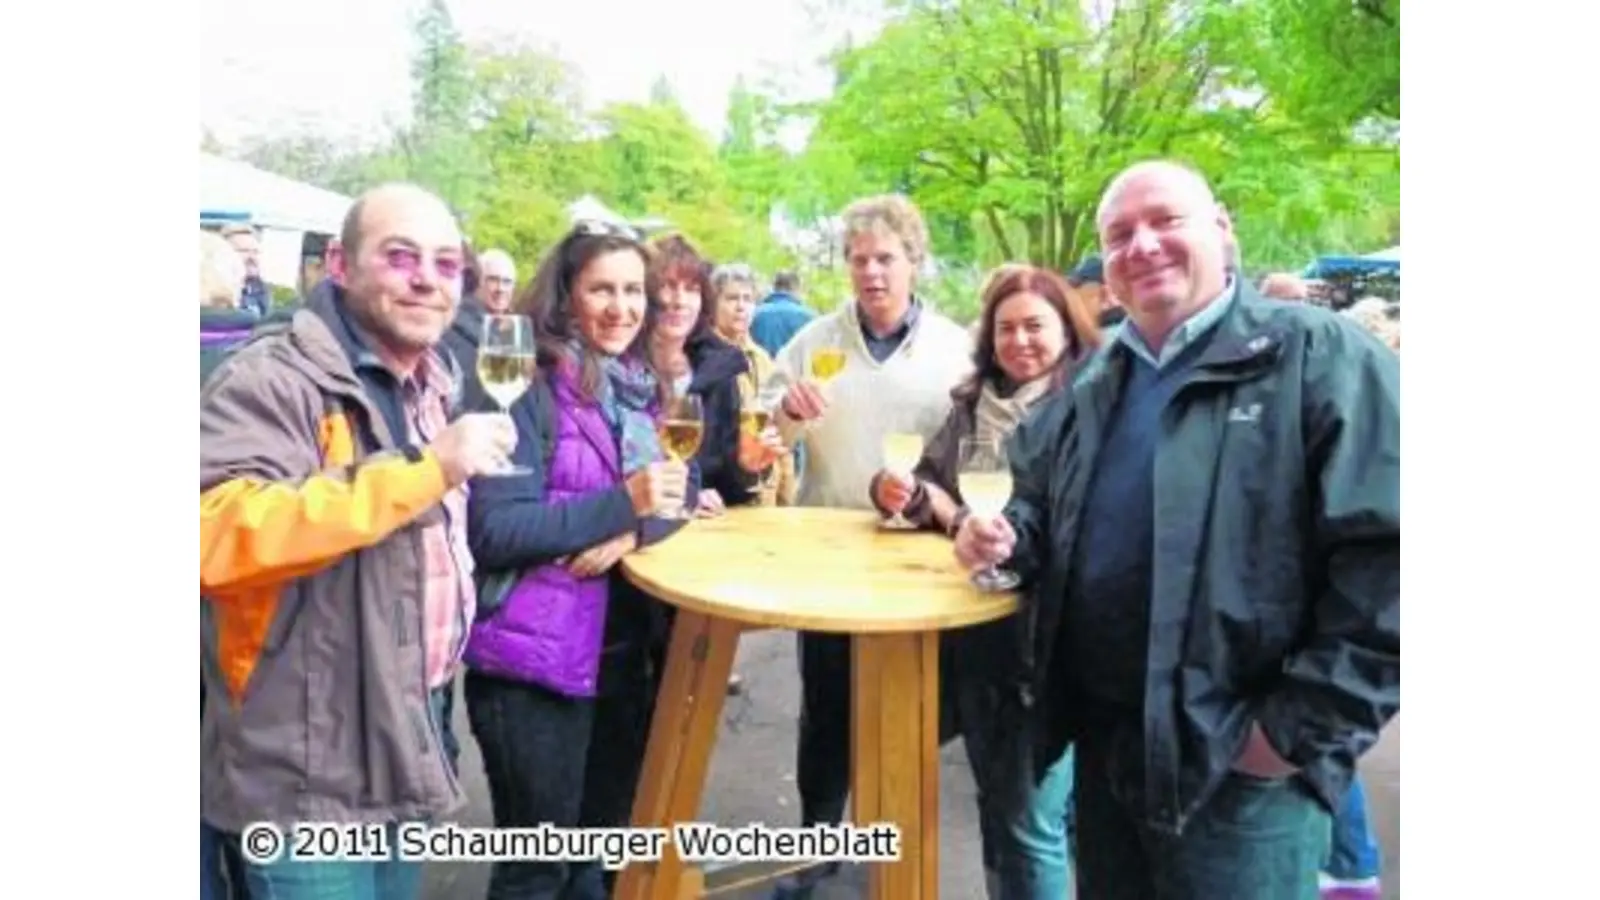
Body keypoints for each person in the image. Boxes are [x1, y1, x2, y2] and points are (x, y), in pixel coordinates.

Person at [954, 160, 1400, 900]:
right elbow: (1035, 505)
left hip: (1237, 777)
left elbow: (1395, 558)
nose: (1143, 245)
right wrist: (1004, 539)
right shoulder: (1093, 384)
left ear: (1221, 230)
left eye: (1166, 220)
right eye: (1121, 233)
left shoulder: (1317, 356)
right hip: (1105, 758)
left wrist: (1288, 736)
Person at [200, 183, 515, 900]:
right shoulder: (274, 378)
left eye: (446, 263)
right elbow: (211, 536)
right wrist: (427, 468)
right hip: (308, 760)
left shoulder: (434, 378)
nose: (427, 279)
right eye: (400, 256)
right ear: (340, 265)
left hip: (403, 725)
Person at [462, 220, 696, 900]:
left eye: (633, 291)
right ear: (565, 295)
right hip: (532, 665)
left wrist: (635, 531)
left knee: (594, 856)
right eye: (602, 290)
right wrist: (625, 505)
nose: (622, 308)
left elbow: (676, 497)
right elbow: (497, 529)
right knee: (538, 870)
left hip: (620, 654)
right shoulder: (518, 382)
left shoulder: (636, 388)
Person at [868, 264, 1101, 900]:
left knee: (1030, 823)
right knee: (999, 808)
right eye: (1006, 328)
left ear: (1069, 331)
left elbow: (1075, 527)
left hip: (1045, 647)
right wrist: (906, 492)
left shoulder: (1091, 407)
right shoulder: (974, 405)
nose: (1020, 341)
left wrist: (960, 517)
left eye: (1035, 326)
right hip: (975, 637)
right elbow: (931, 484)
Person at [766, 194, 973, 899]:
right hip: (828, 554)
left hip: (921, 561)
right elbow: (768, 437)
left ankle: (894, 864)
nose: (871, 273)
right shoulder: (814, 343)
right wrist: (786, 415)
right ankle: (817, 854)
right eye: (859, 260)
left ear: (914, 263)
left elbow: (981, 445)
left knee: (911, 711)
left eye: (886, 258)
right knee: (825, 709)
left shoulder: (955, 347)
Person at [645, 234, 782, 518]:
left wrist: (747, 467)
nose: (680, 301)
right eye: (668, 287)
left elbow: (728, 488)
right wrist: (686, 496)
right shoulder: (621, 370)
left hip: (699, 538)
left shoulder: (719, 369)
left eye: (692, 289)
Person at [709, 261, 799, 507]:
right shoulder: (706, 359)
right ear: (713, 304)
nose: (741, 307)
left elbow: (780, 433)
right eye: (731, 298)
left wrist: (787, 496)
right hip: (725, 496)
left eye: (748, 299)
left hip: (768, 494)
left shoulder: (763, 359)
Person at [750, 270, 816, 358]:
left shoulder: (753, 314)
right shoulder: (809, 316)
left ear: (774, 287)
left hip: (761, 369)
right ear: (796, 288)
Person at [479, 248, 518, 313]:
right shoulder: (461, 320)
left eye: (507, 281)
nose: (500, 288)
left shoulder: (519, 321)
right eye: (493, 280)